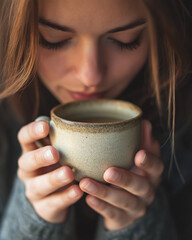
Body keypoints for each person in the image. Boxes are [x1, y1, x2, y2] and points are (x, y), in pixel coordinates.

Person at [0, 0, 192, 239]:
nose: (90, 75)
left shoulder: (182, 131)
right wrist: (34, 220)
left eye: (126, 39)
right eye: (53, 39)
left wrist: (139, 225)